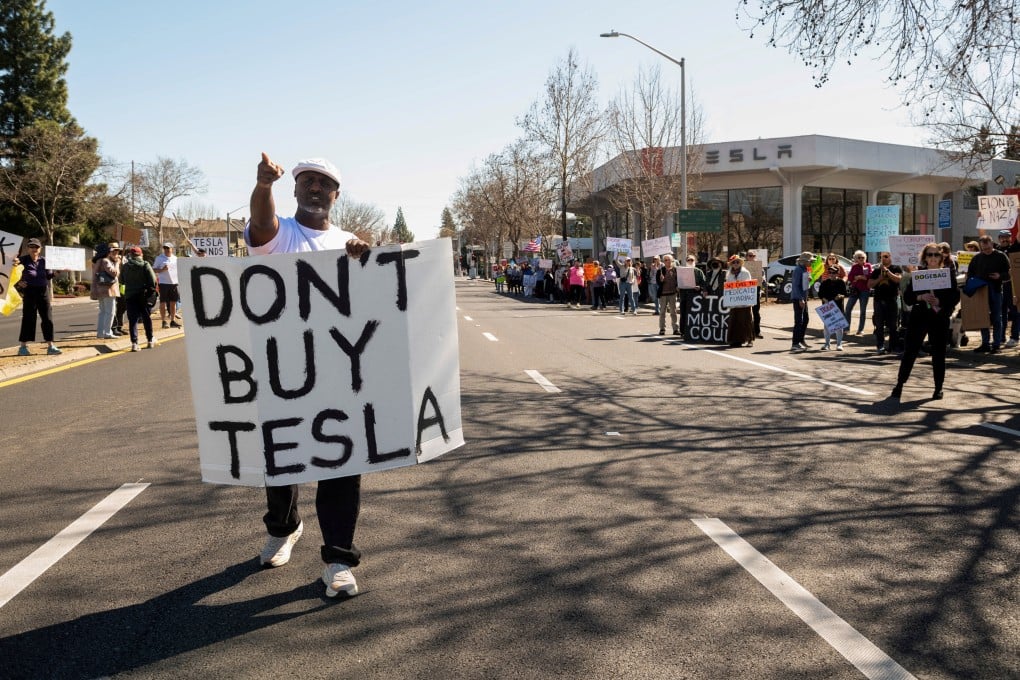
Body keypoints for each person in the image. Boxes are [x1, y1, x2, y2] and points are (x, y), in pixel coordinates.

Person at [245, 153, 371, 598]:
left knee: (343, 466)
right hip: (283, 374)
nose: (315, 188)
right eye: (307, 181)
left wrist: (363, 257)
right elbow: (260, 228)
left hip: (338, 376)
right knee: (281, 463)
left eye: (324, 183)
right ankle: (283, 527)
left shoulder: (348, 240)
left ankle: (338, 558)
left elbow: (370, 304)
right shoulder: (280, 234)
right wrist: (263, 186)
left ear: (336, 195)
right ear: (295, 190)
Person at [891, 244, 960, 400]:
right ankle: (900, 384)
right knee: (910, 351)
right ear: (925, 257)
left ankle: (938, 388)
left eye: (936, 255)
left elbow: (955, 297)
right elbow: (907, 297)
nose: (933, 258)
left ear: (941, 258)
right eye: (930, 255)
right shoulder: (919, 274)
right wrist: (920, 297)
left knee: (939, 354)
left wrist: (940, 301)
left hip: (939, 318)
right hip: (919, 318)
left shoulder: (947, 275)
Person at [13, 238, 61, 356]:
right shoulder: (22, 260)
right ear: (28, 248)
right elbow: (10, 273)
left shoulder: (45, 261)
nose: (34, 249)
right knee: (28, 318)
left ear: (40, 249)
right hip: (29, 292)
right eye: (31, 247)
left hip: (43, 291)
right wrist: (19, 282)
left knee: (47, 318)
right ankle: (23, 347)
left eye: (36, 247)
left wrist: (58, 272)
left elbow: (48, 276)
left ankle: (50, 346)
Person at [966, 234, 1010, 353]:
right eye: (984, 249)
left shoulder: (1001, 256)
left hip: (995, 290)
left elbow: (1010, 274)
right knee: (983, 317)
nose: (986, 251)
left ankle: (996, 344)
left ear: (992, 244)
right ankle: (985, 343)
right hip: (981, 291)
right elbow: (970, 274)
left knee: (996, 317)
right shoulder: (977, 258)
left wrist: (999, 276)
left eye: (988, 248)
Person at [119, 246, 158, 351]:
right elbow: (153, 280)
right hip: (144, 296)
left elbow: (121, 281)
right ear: (141, 254)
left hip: (130, 295)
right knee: (146, 318)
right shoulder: (145, 264)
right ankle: (150, 340)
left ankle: (134, 343)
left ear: (131, 255)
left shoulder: (125, 266)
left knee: (133, 320)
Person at [868, 252, 902, 354]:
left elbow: (898, 280)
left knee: (893, 325)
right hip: (879, 300)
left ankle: (893, 346)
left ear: (891, 257)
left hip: (892, 300)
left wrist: (887, 272)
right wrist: (879, 278)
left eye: (886, 257)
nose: (883, 258)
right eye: (881, 257)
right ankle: (880, 346)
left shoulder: (896, 268)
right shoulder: (876, 271)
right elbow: (869, 284)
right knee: (879, 325)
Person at [90, 242, 120, 339]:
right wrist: (117, 264)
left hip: (100, 289)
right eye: (111, 251)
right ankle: (107, 332)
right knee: (110, 312)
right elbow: (114, 273)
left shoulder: (97, 261)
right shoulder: (105, 261)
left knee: (102, 312)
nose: (113, 252)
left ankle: (100, 332)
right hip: (108, 290)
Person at [725, 255, 754, 347]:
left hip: (744, 301)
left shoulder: (745, 273)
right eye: (734, 262)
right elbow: (728, 286)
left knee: (746, 321)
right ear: (731, 264)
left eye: (737, 262)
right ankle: (736, 340)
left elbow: (749, 286)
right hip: (734, 301)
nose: (736, 264)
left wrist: (739, 286)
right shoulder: (729, 274)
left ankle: (749, 340)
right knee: (735, 320)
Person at [818, 265, 848, 350]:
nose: (831, 274)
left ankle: (839, 344)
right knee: (827, 326)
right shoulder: (824, 282)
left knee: (839, 326)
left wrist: (840, 296)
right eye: (830, 272)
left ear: (837, 273)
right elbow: (820, 294)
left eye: (834, 272)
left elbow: (845, 294)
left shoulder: (841, 282)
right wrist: (824, 300)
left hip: (838, 306)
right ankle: (827, 344)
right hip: (827, 307)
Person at [152, 242, 180, 329]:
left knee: (173, 303)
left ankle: (172, 321)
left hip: (174, 283)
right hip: (163, 283)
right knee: (163, 303)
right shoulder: (159, 258)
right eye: (165, 248)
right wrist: (162, 269)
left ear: (172, 249)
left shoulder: (175, 258)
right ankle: (164, 321)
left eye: (168, 248)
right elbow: (154, 269)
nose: (167, 250)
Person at [678, 254, 705, 340]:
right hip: (684, 296)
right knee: (683, 314)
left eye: (692, 260)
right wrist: (677, 286)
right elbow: (677, 282)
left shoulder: (698, 271)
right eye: (688, 260)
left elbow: (704, 283)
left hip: (695, 297)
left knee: (695, 315)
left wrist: (699, 287)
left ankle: (695, 332)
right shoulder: (681, 271)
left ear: (695, 261)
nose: (690, 262)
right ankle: (683, 332)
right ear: (686, 261)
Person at [790, 251, 812, 351]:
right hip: (799, 298)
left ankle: (800, 340)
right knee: (799, 321)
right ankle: (795, 343)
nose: (811, 262)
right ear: (804, 261)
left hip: (803, 298)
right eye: (810, 261)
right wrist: (800, 299)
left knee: (805, 319)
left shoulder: (805, 269)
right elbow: (795, 285)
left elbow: (804, 283)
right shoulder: (798, 270)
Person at [656, 254, 680, 335]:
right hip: (663, 294)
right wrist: (661, 280)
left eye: (668, 259)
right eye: (665, 260)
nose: (667, 261)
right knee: (662, 312)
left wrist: (677, 287)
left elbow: (679, 280)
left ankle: (675, 329)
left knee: (673, 312)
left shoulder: (676, 270)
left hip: (673, 293)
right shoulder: (660, 271)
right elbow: (658, 283)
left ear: (672, 260)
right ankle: (662, 329)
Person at [744, 250, 764, 338]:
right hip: (745, 292)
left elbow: (763, 276)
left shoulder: (759, 266)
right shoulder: (743, 266)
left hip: (755, 290)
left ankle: (757, 331)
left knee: (756, 312)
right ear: (746, 257)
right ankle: (746, 331)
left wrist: (763, 280)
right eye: (750, 255)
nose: (752, 257)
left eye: (753, 256)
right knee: (746, 312)